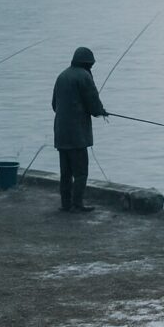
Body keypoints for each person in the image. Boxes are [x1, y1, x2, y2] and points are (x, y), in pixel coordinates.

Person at [52, 47, 108, 212]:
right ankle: (78, 204)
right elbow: (93, 104)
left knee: (65, 172)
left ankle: (66, 204)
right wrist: (101, 111)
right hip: (77, 134)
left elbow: (54, 105)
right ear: (87, 63)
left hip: (61, 132)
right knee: (81, 172)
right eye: (90, 65)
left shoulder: (62, 76)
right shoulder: (84, 76)